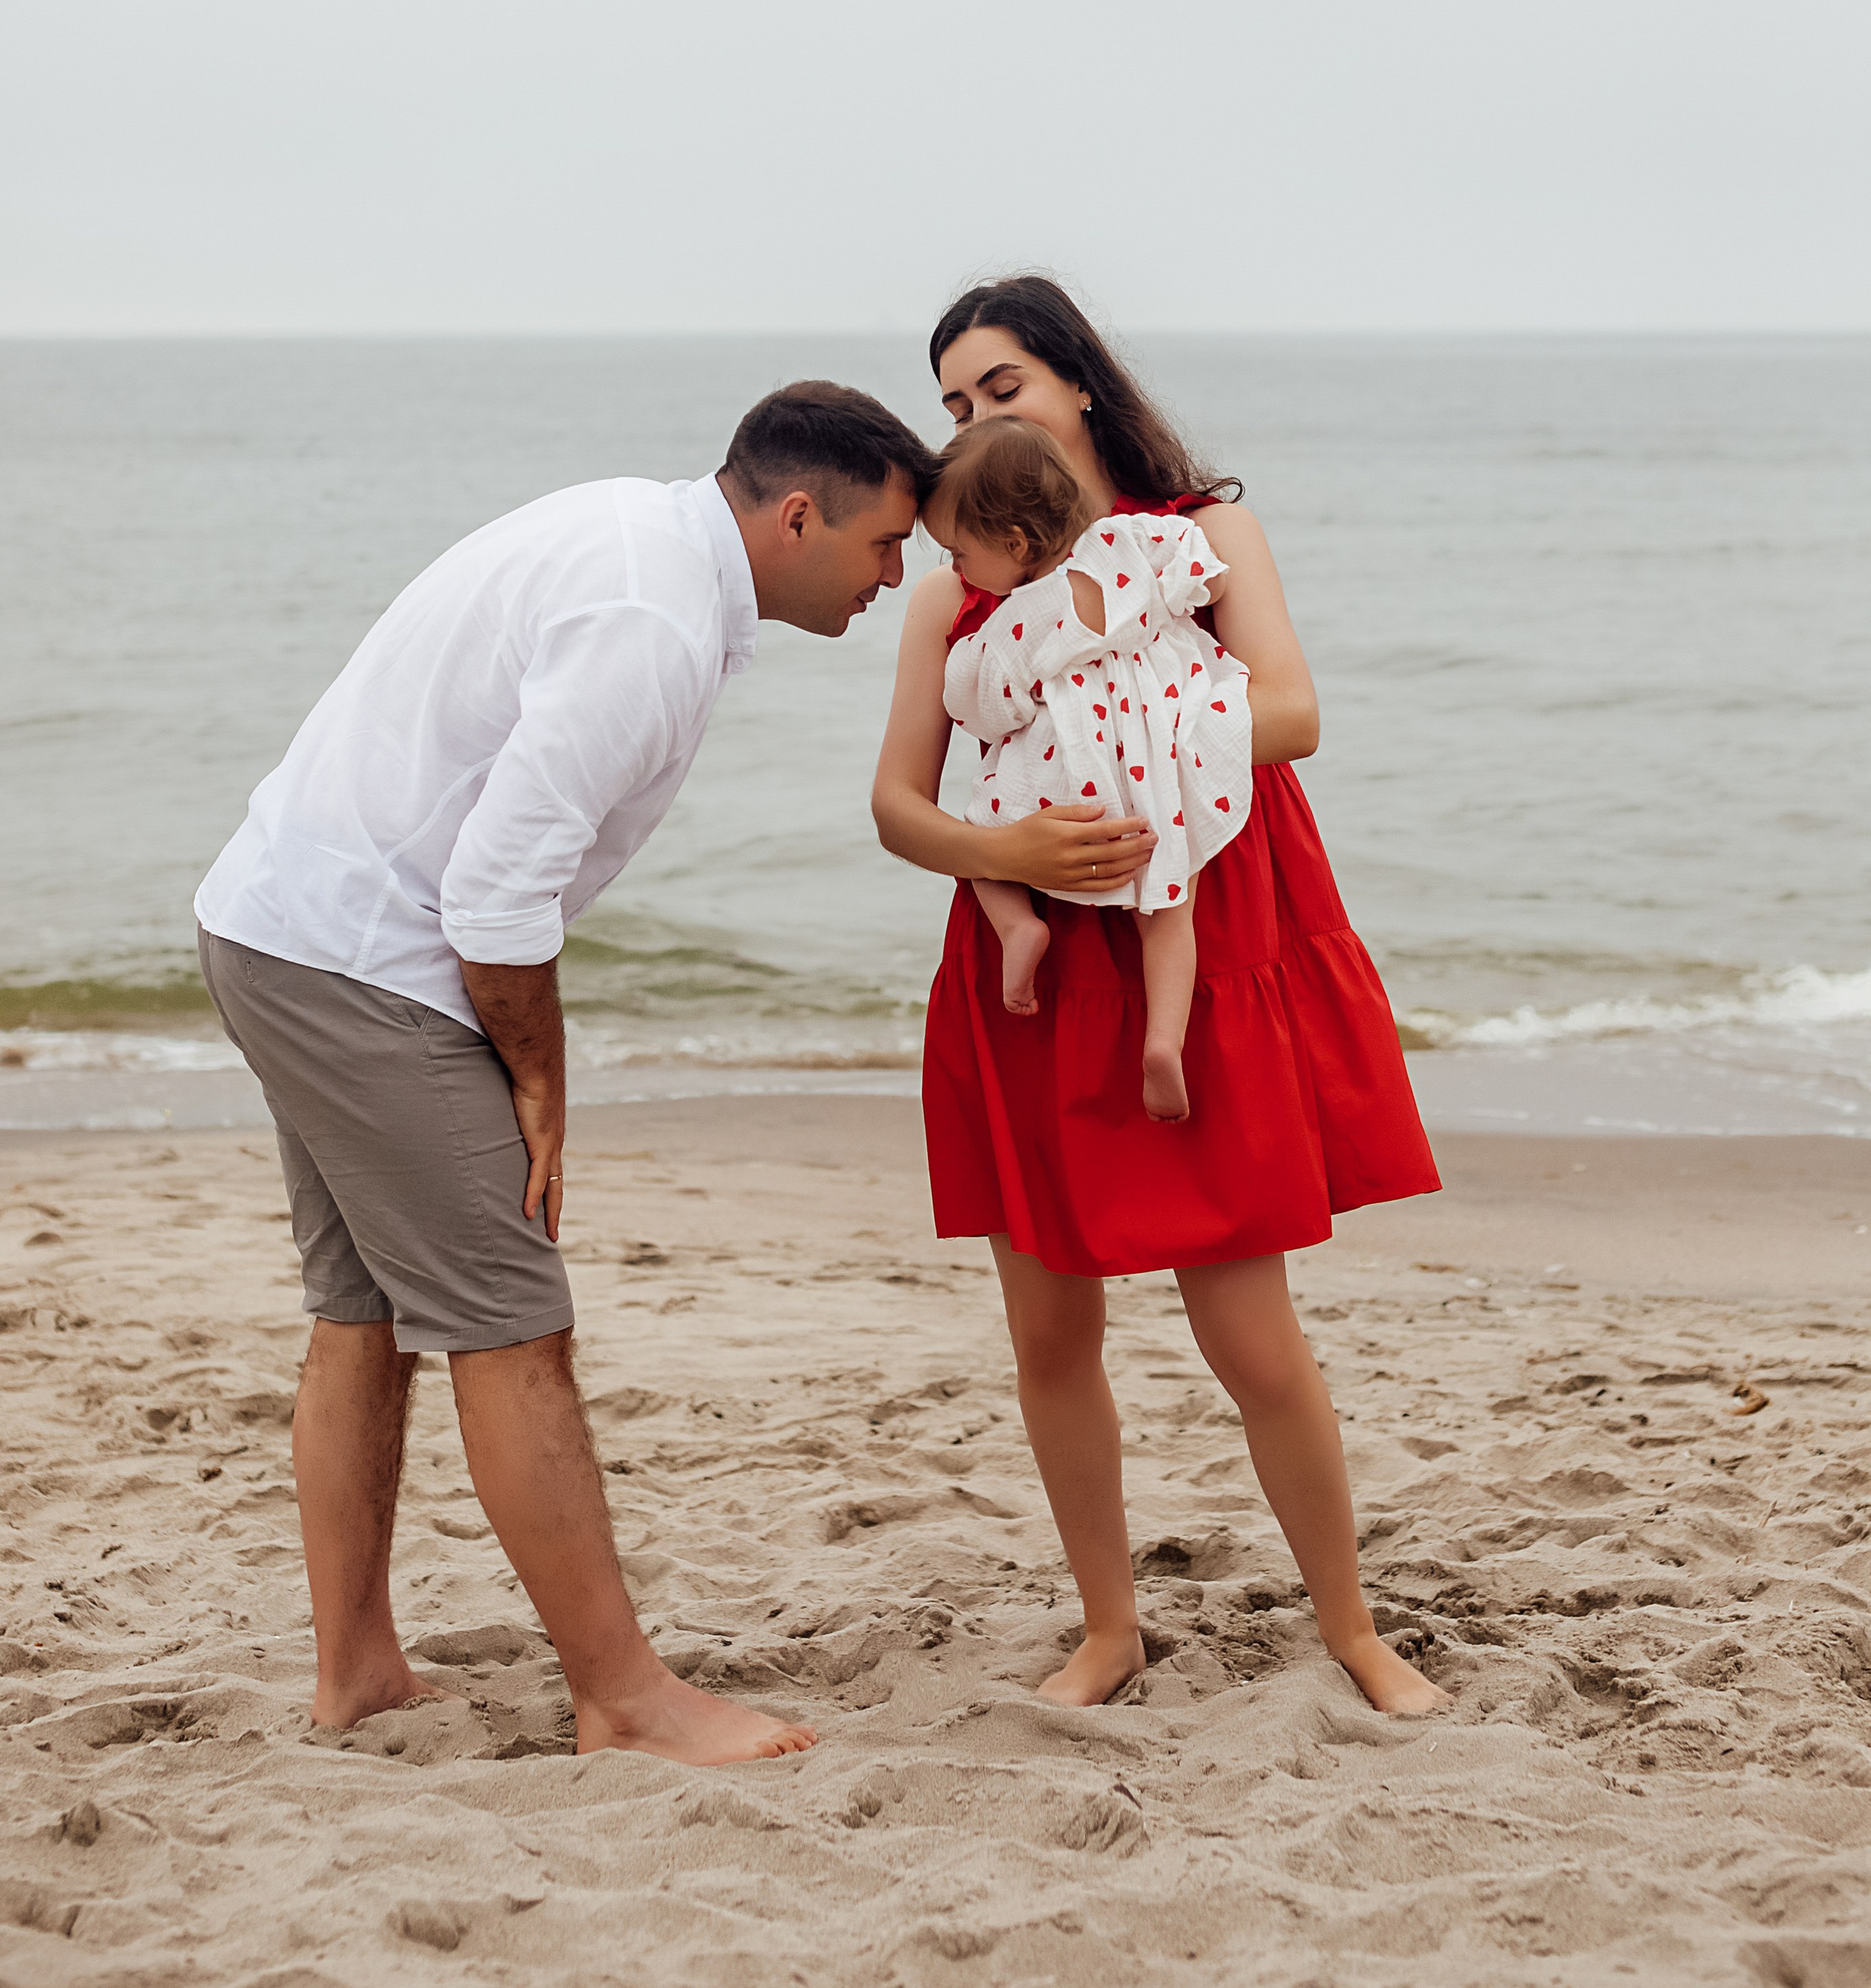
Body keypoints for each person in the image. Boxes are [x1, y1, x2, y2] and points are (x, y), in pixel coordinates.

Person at [197, 382, 936, 1766]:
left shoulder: (644, 546)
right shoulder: (649, 619)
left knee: (362, 1312)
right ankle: (625, 1697)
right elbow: (492, 896)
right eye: (886, 546)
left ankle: (357, 1673)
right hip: (361, 957)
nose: (897, 579)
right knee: (514, 1320)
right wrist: (539, 1081)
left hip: (285, 923)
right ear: (795, 516)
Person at [872, 278, 1447, 1718]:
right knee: (1051, 1334)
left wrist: (1113, 720)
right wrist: (997, 852)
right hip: (1032, 963)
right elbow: (897, 805)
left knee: (1249, 1330)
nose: (973, 419)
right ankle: (1107, 1627)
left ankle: (1350, 1627)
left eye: (996, 387)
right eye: (951, 405)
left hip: (1200, 928)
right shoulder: (958, 585)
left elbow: (1291, 715)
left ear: (1073, 380)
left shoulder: (1203, 537)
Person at [921, 414, 1255, 1122]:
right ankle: (1164, 1042)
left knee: (983, 832)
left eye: (958, 551)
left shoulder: (1019, 616)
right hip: (1158, 762)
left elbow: (982, 707)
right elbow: (1199, 573)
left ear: (1013, 543)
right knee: (1170, 907)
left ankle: (1019, 929)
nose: (955, 567)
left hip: (1076, 774)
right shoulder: (1130, 544)